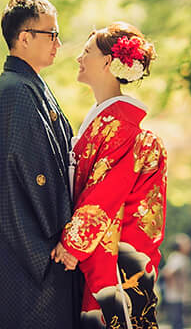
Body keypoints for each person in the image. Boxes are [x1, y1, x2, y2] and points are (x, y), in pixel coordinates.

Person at [0, 0, 81, 329]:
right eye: (51, 34)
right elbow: (23, 179)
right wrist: (50, 248)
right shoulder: (14, 91)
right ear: (24, 38)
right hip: (26, 258)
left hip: (34, 252)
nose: (58, 44)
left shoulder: (27, 85)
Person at [52, 22, 168, 329]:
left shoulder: (121, 127)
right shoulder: (107, 121)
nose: (79, 57)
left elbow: (105, 193)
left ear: (107, 62)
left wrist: (73, 243)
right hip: (101, 249)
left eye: (86, 51)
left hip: (114, 254)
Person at [160, 234, 191, 329]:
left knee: (179, 323)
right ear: (180, 246)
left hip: (178, 297)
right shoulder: (179, 258)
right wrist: (177, 286)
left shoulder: (177, 257)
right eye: (187, 243)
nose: (190, 245)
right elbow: (167, 273)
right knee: (178, 324)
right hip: (177, 297)